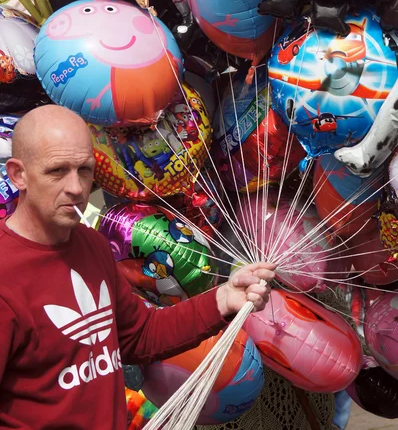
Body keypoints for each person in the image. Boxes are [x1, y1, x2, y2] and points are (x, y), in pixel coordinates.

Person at [0, 105, 275, 430]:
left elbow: (140, 335)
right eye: (57, 171)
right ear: (18, 174)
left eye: (85, 170)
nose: (75, 188)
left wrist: (224, 299)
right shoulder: (6, 274)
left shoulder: (90, 244)